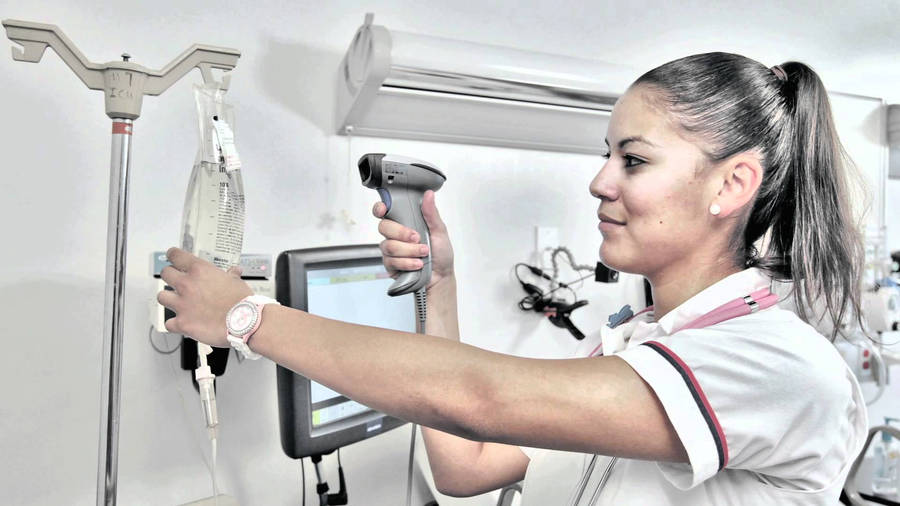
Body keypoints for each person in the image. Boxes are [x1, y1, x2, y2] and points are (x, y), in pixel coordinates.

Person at [158, 52, 868, 505]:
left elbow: (478, 395)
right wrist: (440, 281)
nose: (599, 181)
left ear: (732, 184)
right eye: (606, 155)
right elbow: (463, 465)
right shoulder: (637, 350)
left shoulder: (775, 363)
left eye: (634, 160)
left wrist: (247, 317)